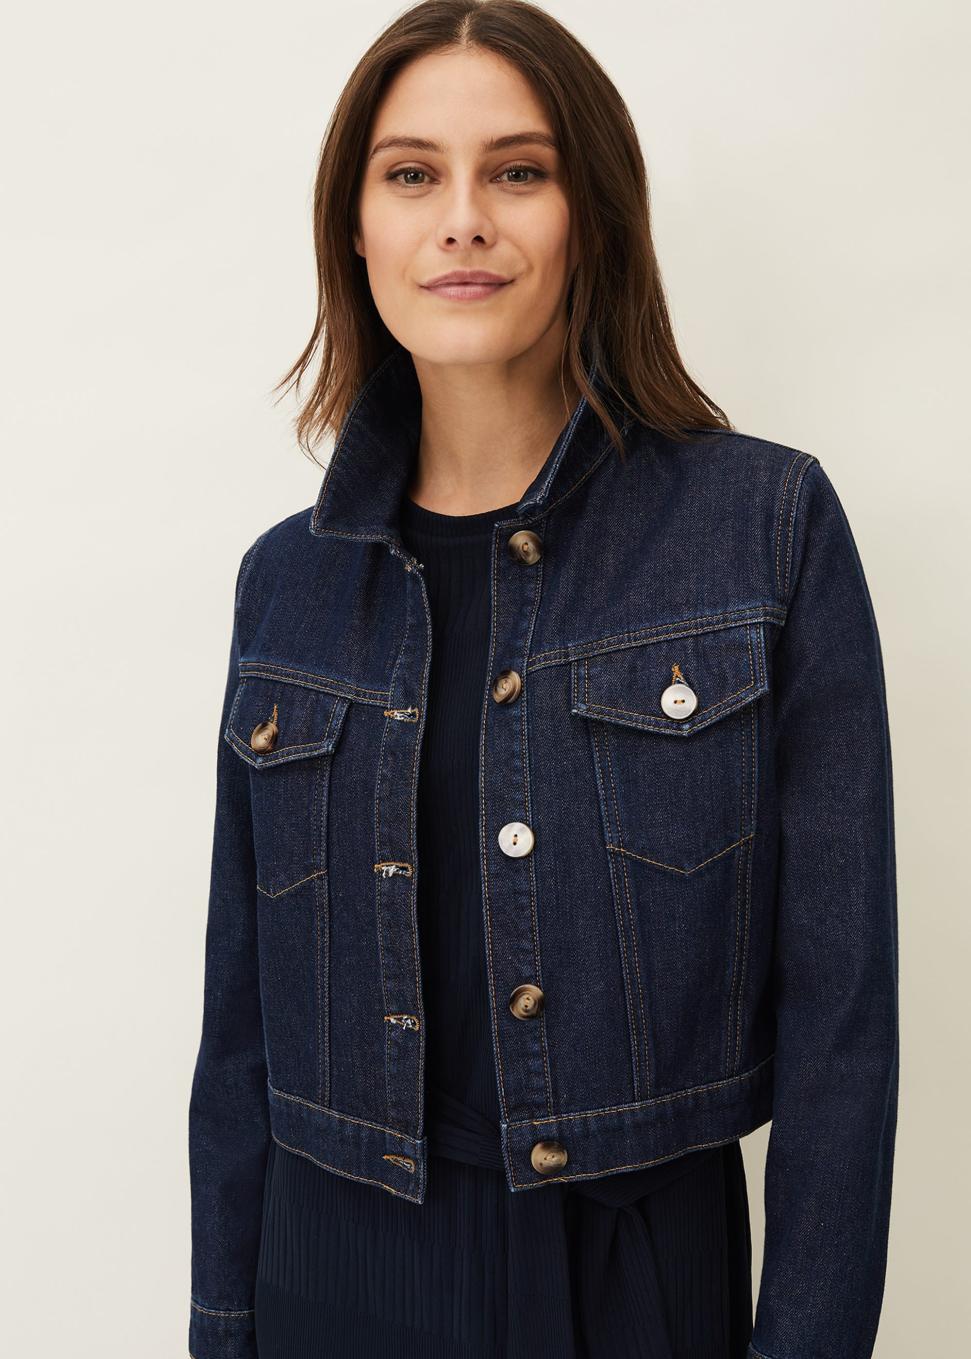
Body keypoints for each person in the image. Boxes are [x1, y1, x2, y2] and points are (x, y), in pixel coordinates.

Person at [188, 4, 898, 1359]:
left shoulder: (763, 531)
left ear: (594, 216)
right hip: (328, 1276)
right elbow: (239, 1039)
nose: (462, 220)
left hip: (631, 1277)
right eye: (411, 174)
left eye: (518, 171)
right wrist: (221, 1330)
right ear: (356, 228)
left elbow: (843, 1025)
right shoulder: (286, 583)